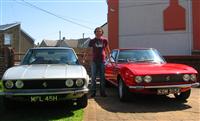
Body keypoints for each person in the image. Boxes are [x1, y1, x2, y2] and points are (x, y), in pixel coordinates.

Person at [89, 27, 110, 97]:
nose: (98, 32)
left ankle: (102, 92)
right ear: (95, 32)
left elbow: (107, 49)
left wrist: (109, 58)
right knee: (93, 77)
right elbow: (88, 49)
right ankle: (93, 92)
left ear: (102, 32)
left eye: (100, 31)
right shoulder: (92, 41)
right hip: (94, 61)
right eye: (97, 31)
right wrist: (85, 57)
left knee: (102, 77)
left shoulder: (105, 40)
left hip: (102, 61)